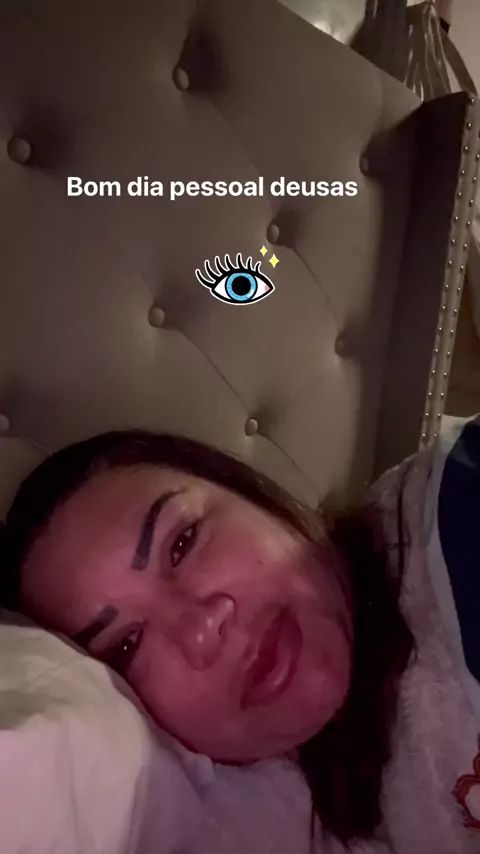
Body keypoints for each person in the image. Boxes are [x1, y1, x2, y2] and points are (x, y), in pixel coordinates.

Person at [0, 420, 479, 853]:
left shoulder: (456, 515)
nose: (201, 628)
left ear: (250, 494)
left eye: (182, 543)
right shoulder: (286, 807)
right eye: (126, 647)